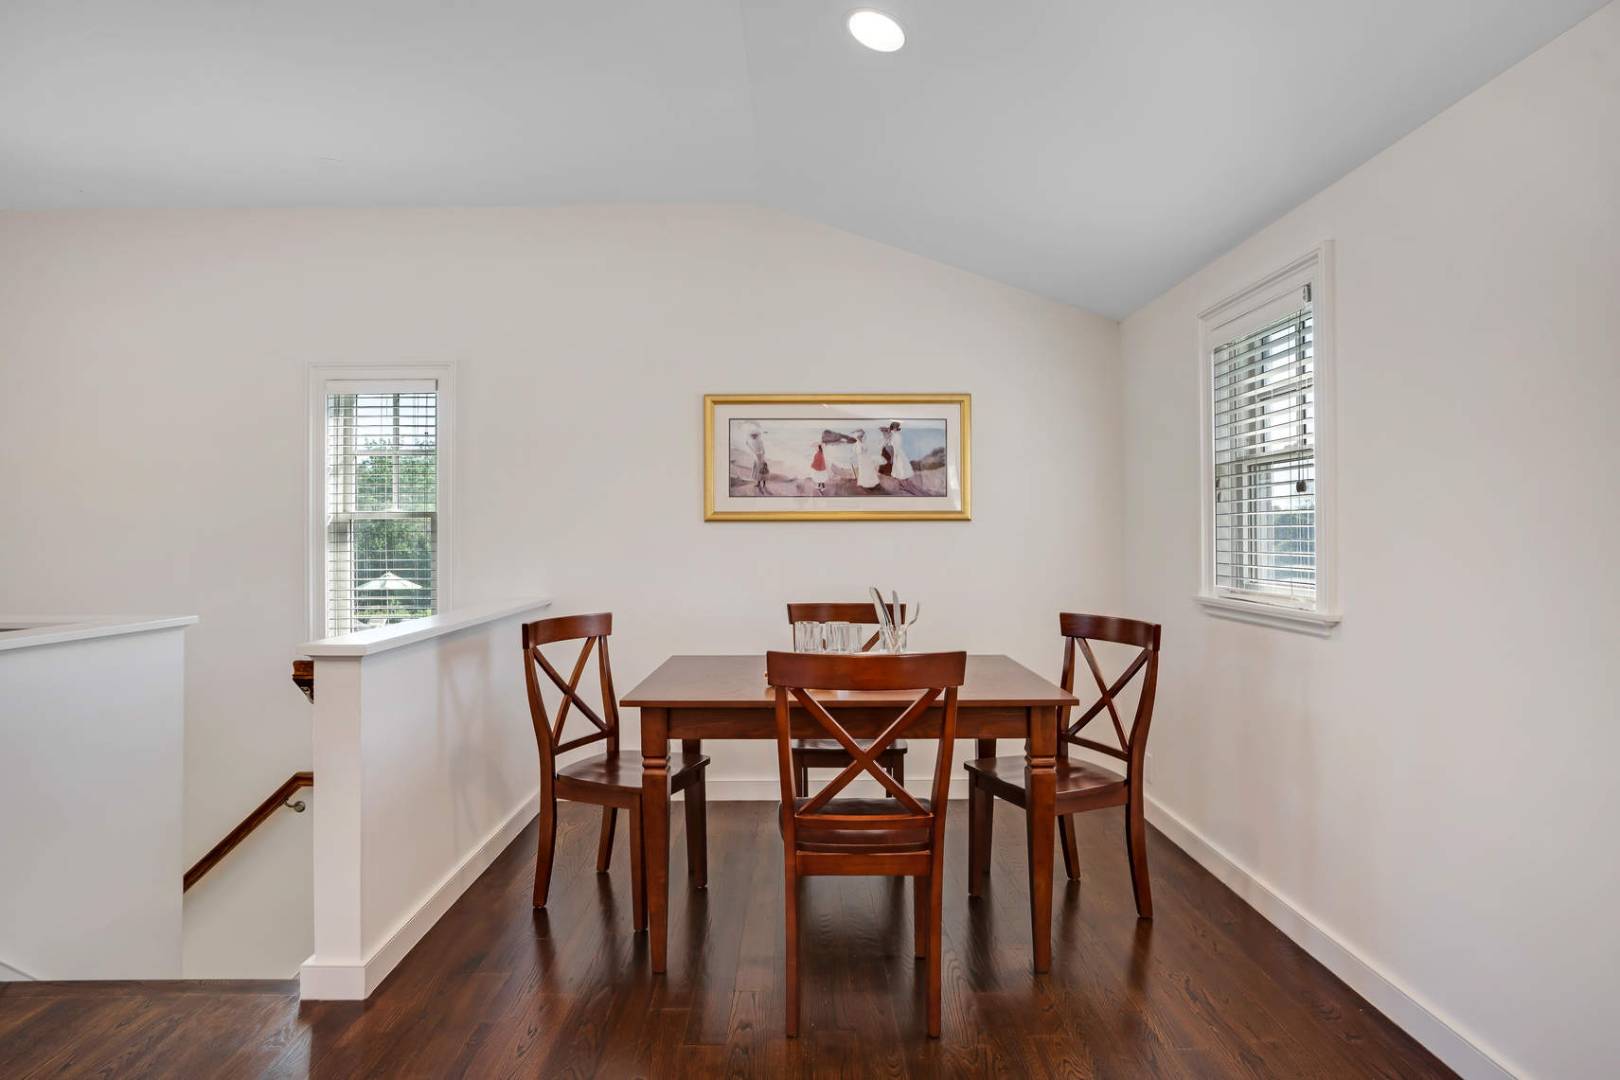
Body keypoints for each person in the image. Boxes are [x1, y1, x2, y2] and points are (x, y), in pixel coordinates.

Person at [746, 429, 769, 494]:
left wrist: (759, 454)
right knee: (757, 471)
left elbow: (763, 450)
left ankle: (764, 485)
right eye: (752, 436)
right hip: (756, 458)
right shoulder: (754, 442)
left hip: (761, 458)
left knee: (763, 472)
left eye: (754, 435)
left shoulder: (760, 442)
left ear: (757, 435)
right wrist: (748, 445)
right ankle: (758, 484)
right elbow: (753, 450)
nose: (753, 437)